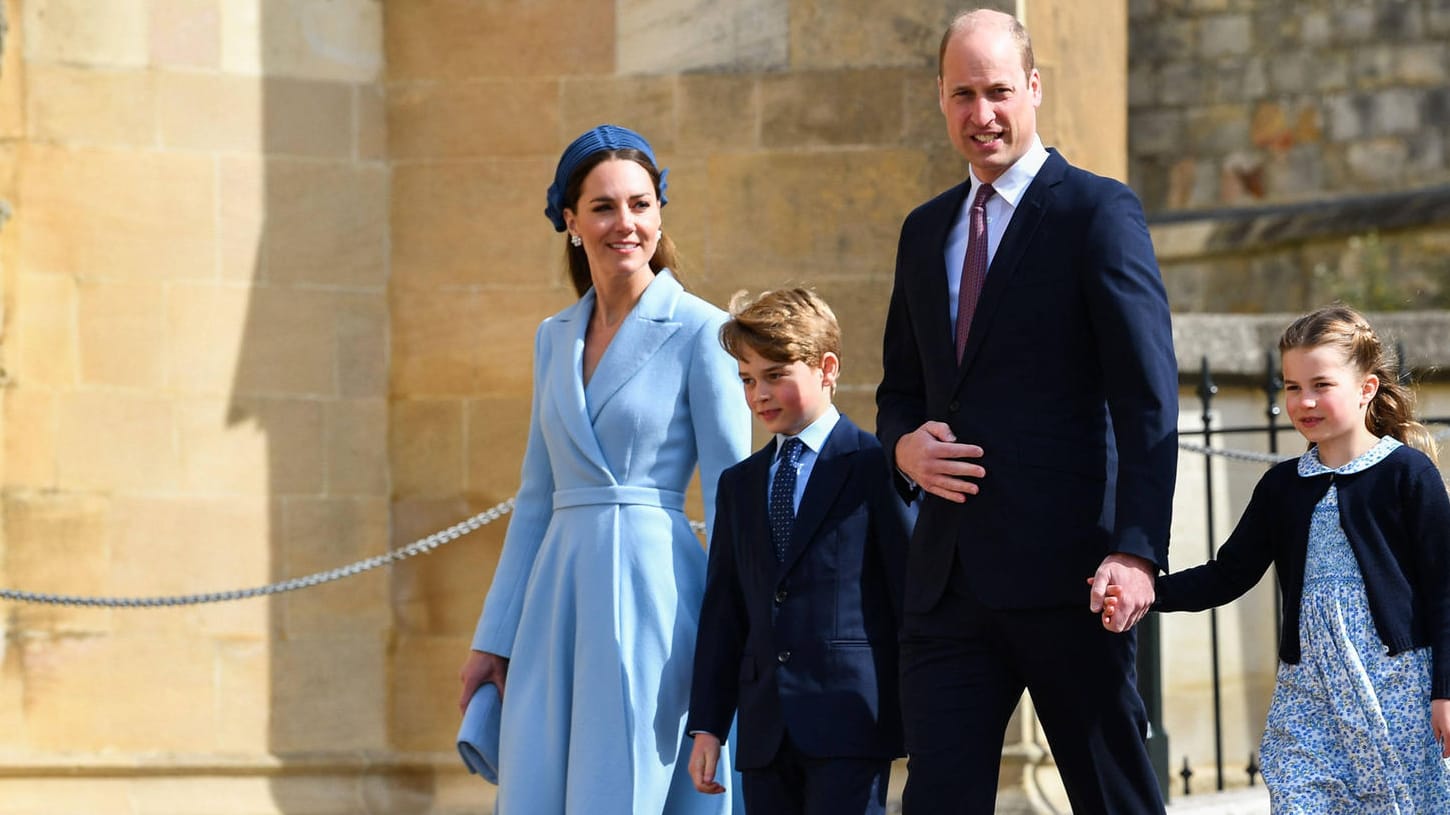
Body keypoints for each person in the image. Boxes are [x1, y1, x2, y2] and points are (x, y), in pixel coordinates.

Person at [874, 9, 1178, 815]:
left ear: (1034, 88)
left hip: (1071, 576)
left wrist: (1137, 552)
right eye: (963, 94)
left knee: (1115, 801)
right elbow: (898, 390)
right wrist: (903, 447)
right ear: (940, 99)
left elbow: (1147, 398)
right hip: (945, 584)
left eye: (1000, 91)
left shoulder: (1096, 213)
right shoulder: (922, 231)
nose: (983, 115)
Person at [456, 124, 753, 814]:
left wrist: (738, 640)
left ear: (659, 213)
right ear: (570, 220)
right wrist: (491, 641)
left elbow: (733, 497)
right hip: (554, 599)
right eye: (604, 207)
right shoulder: (551, 337)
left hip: (656, 595)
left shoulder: (703, 330)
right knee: (541, 787)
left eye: (642, 204)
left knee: (628, 785)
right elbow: (535, 497)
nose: (627, 223)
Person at [1130, 304, 1450, 811]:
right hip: (1309, 690)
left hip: (1394, 687)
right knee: (1298, 795)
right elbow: (1227, 574)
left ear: (1366, 388)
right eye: (1292, 387)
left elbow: (1443, 589)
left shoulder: (1407, 474)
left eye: (1321, 385)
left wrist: (1445, 692)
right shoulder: (1281, 486)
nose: (1304, 401)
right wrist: (1146, 591)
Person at [685, 288, 911, 814]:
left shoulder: (875, 465)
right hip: (764, 733)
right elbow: (725, 610)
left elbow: (908, 596)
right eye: (746, 379)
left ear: (826, 368)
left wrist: (924, 714)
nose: (758, 394)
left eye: (775, 375)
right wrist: (708, 726)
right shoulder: (738, 485)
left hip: (852, 723)